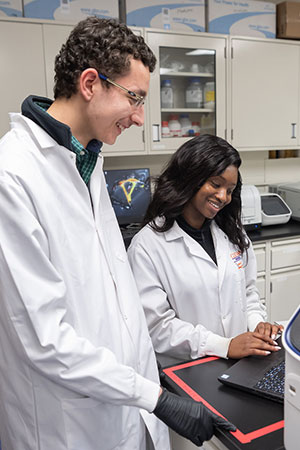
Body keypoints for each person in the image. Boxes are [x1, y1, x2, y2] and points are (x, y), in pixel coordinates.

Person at [0, 18, 235, 450]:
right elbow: (44, 339)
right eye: (134, 98)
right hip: (68, 423)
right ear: (91, 82)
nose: (141, 117)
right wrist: (156, 398)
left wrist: (150, 387)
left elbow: (116, 299)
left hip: (128, 403)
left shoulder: (87, 161)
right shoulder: (12, 175)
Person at [128, 134, 283, 366]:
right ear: (190, 179)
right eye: (216, 184)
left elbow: (248, 295)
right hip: (188, 369)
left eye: (230, 189)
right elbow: (157, 327)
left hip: (238, 363)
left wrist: (257, 325)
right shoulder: (148, 245)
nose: (223, 197)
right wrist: (224, 346)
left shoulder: (234, 235)